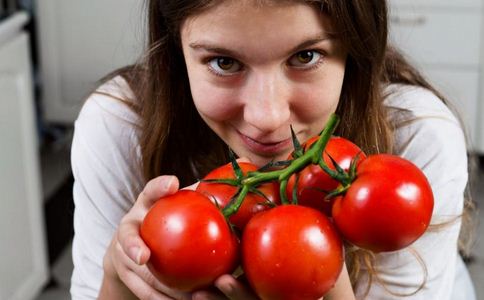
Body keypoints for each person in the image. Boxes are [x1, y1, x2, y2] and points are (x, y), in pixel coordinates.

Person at [70, 0, 477, 299]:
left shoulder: (416, 136)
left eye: (305, 56)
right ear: (176, 52)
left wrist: (318, 276)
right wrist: (119, 276)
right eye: (224, 63)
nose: (267, 116)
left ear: (354, 50)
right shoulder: (120, 123)